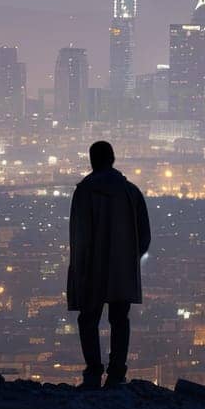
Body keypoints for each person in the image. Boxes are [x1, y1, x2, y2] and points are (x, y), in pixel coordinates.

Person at [67, 140, 152, 389]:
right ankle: (116, 373)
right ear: (112, 159)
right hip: (122, 269)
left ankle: (93, 372)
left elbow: (78, 235)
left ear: (92, 160)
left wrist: (81, 265)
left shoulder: (84, 191)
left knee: (88, 319)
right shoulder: (130, 192)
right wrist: (128, 257)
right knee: (120, 319)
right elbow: (144, 236)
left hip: (91, 268)